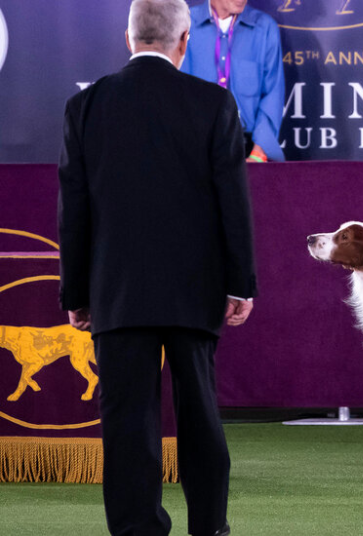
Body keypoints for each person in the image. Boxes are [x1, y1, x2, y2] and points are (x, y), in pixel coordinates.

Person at [57, 0, 257, 534]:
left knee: (126, 425)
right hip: (195, 293)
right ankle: (209, 527)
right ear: (185, 39)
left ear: (128, 39)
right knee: (201, 418)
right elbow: (233, 206)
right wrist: (241, 284)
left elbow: (73, 214)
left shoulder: (87, 107)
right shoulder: (215, 104)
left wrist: (76, 293)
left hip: (117, 294)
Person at [181, 0, 285, 162]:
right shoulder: (183, 24)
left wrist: (257, 155)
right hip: (195, 149)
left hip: (247, 149)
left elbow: (273, 94)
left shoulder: (264, 27)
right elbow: (176, 93)